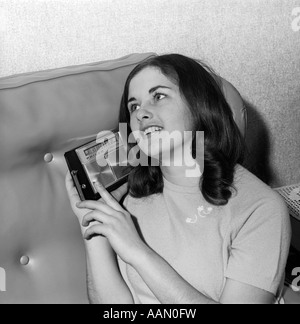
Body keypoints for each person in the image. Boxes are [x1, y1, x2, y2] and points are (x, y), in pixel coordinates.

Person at [66, 54, 291, 304]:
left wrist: (137, 252)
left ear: (199, 105)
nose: (141, 113)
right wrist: (93, 224)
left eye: (158, 96)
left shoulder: (261, 208)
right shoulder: (130, 196)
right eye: (133, 106)